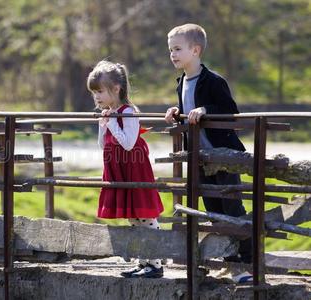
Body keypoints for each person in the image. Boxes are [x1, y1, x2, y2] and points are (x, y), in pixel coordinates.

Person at [164, 24, 253, 283]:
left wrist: (206, 110)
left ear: (195, 50)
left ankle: (246, 265)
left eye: (178, 49)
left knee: (232, 209)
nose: (173, 54)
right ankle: (230, 262)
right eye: (170, 50)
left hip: (222, 157)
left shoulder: (213, 81)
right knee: (213, 209)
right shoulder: (181, 82)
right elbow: (187, 113)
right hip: (200, 158)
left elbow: (230, 111)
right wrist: (176, 113)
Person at [87, 60, 164, 278]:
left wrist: (112, 123)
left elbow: (129, 142)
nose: (97, 97)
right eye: (94, 93)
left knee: (145, 216)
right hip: (118, 169)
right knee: (133, 218)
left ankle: (156, 264)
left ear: (116, 88)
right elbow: (104, 146)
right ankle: (144, 263)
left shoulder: (128, 111)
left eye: (100, 91)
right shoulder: (110, 113)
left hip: (134, 170)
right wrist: (103, 127)